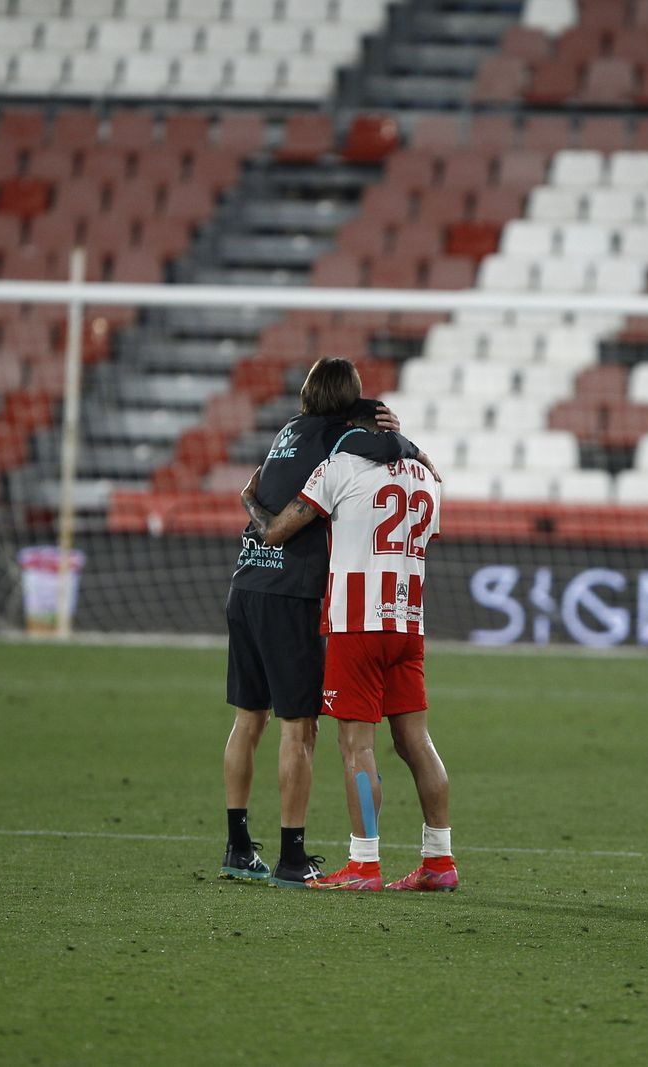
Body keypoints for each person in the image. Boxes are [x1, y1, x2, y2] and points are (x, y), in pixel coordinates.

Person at [220, 358, 434, 890]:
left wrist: (248, 501)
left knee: (250, 720)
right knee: (307, 728)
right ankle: (300, 855)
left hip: (246, 585)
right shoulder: (346, 445)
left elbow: (259, 503)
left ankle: (239, 846)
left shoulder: (288, 434)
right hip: (308, 598)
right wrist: (394, 432)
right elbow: (406, 459)